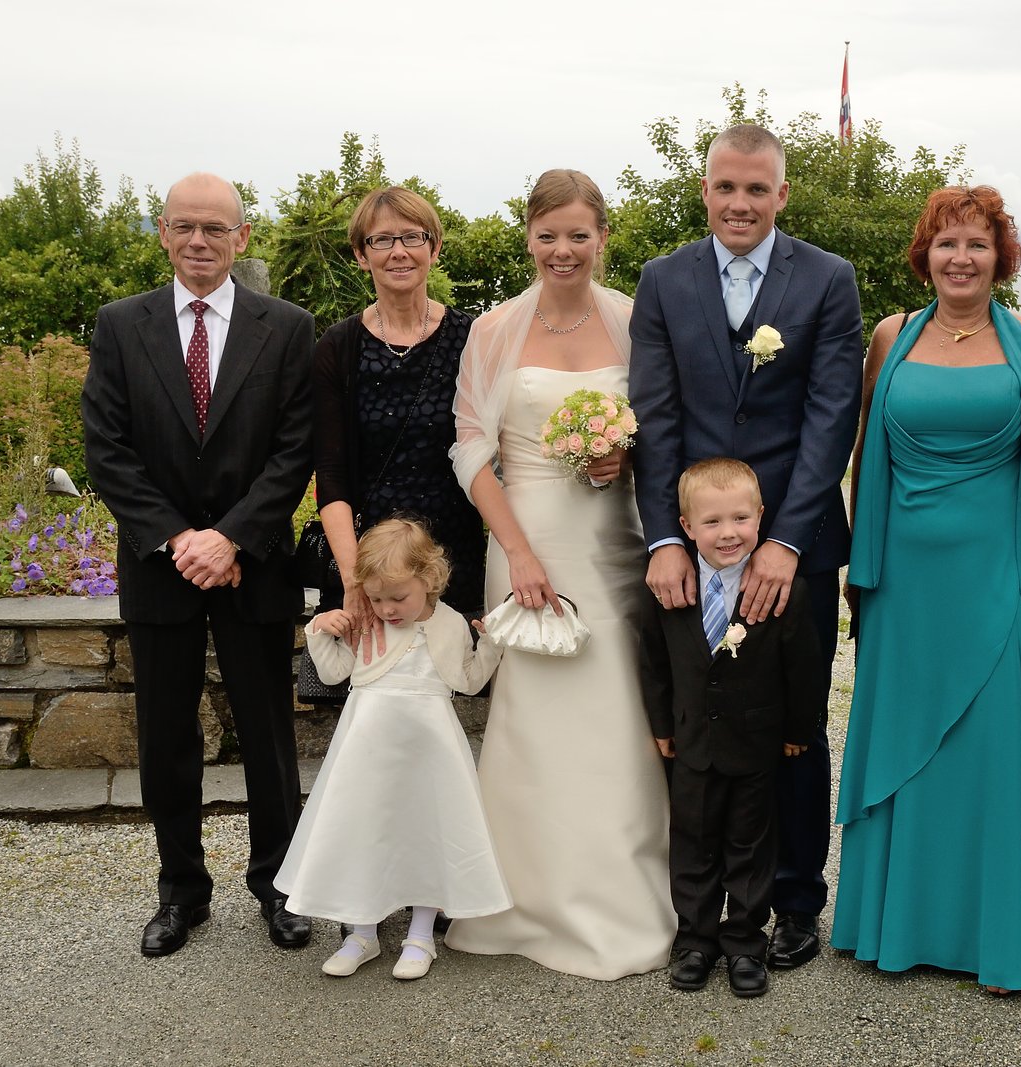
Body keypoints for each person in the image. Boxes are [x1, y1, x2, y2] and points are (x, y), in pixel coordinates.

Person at [833, 185, 1021, 993]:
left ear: (1000, 257)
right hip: (904, 585)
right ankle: (896, 927)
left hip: (1003, 579)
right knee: (908, 742)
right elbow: (865, 454)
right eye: (947, 243)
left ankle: (998, 938)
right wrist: (859, 571)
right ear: (926, 255)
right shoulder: (891, 336)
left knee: (993, 750)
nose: (961, 257)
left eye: (977, 243)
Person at [629, 124, 864, 970]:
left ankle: (795, 900)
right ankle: (703, 913)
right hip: (694, 546)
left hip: (795, 548)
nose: (740, 203)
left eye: (756, 189)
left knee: (793, 723)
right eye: (725, 187)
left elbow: (831, 415)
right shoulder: (663, 280)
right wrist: (665, 537)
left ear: (781, 194)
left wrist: (786, 541)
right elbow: (655, 416)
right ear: (705, 190)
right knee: (700, 720)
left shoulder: (828, 279)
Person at [442, 169, 676, 980]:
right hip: (526, 536)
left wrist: (624, 456)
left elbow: (663, 426)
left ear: (602, 237)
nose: (563, 249)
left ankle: (623, 898)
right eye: (548, 235)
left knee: (616, 713)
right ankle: (522, 901)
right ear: (529, 238)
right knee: (534, 718)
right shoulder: (494, 330)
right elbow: (471, 450)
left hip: (613, 540)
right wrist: (517, 551)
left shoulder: (636, 321)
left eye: (579, 234)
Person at [81, 172, 315, 957]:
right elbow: (106, 448)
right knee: (165, 739)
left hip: (255, 566)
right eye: (184, 226)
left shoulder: (288, 327)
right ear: (162, 232)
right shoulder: (122, 324)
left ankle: (279, 886)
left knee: (269, 739)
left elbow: (295, 449)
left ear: (241, 237)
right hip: (161, 567)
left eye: (215, 228)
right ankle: (181, 891)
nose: (199, 241)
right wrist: (181, 538)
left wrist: (232, 537)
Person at [276, 518, 509, 980]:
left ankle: (420, 935)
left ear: (429, 578)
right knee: (365, 830)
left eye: (398, 598)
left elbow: (468, 681)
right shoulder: (367, 620)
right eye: (377, 598)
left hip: (430, 750)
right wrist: (321, 631)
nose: (386, 609)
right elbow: (333, 673)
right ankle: (361, 933)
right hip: (366, 749)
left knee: (427, 832)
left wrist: (490, 644)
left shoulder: (449, 623)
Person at [639, 458, 822, 998]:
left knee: (751, 847)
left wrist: (798, 730)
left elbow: (804, 669)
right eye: (712, 521)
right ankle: (696, 940)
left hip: (756, 745)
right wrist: (662, 724)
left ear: (761, 516)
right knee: (692, 845)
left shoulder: (783, 590)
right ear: (686, 525)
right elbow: (655, 664)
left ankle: (744, 942)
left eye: (741, 518)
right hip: (692, 743)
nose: (728, 533)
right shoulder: (669, 588)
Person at [311, 186, 486, 659]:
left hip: (454, 564)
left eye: (412, 237)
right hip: (371, 573)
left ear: (435, 247)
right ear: (361, 255)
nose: (399, 252)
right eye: (382, 240)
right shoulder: (337, 347)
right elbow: (330, 474)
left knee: (455, 689)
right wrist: (356, 582)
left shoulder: (473, 338)